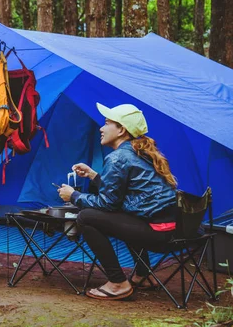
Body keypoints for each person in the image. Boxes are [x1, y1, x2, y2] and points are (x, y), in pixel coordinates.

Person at [58, 103, 177, 301]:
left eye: (106, 123)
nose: (101, 128)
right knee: (124, 216)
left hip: (155, 232)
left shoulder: (118, 157)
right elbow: (125, 194)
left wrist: (74, 196)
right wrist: (94, 175)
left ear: (121, 129)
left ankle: (117, 282)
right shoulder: (139, 152)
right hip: (170, 227)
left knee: (86, 217)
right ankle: (143, 275)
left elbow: (108, 204)